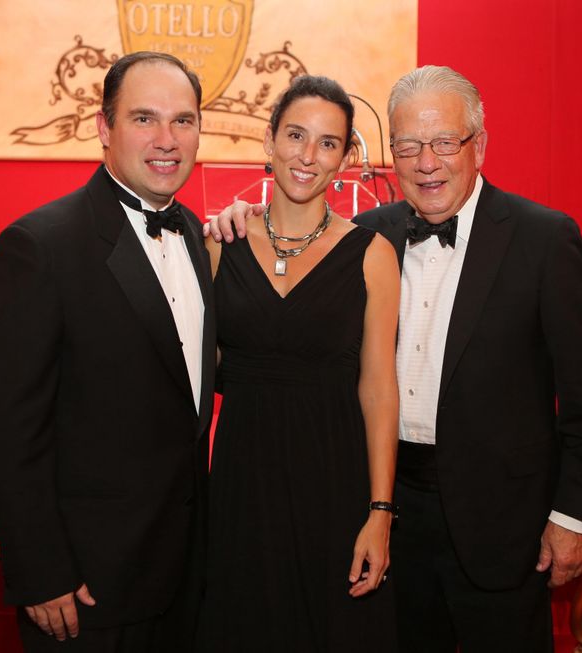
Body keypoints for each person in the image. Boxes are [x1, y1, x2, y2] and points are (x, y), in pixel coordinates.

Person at [207, 64, 582, 652]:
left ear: (480, 145)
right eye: (408, 146)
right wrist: (230, 222)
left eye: (445, 143)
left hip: (501, 524)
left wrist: (575, 517)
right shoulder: (367, 239)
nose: (427, 163)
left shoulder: (544, 240)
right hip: (381, 510)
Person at [0, 51, 215, 653]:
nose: (167, 139)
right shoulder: (39, 247)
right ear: (104, 128)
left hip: (187, 576)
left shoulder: (199, 238)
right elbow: (7, 429)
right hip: (84, 590)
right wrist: (40, 570)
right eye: (144, 119)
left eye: (183, 121)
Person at [198, 75, 401, 652]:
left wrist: (380, 512)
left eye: (328, 143)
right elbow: (192, 369)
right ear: (268, 141)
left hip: (335, 488)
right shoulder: (220, 242)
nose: (308, 156)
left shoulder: (372, 255)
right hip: (241, 488)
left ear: (345, 158)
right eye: (295, 135)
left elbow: (380, 390)